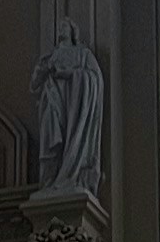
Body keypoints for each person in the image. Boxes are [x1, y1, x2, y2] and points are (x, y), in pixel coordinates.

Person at [32, 21, 106, 196]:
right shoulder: (50, 57)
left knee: (68, 139)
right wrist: (45, 72)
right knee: (50, 142)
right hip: (52, 102)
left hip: (74, 110)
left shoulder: (83, 54)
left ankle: (71, 172)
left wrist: (70, 75)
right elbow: (35, 83)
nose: (60, 29)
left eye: (65, 26)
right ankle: (50, 181)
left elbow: (95, 79)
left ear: (73, 31)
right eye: (59, 27)